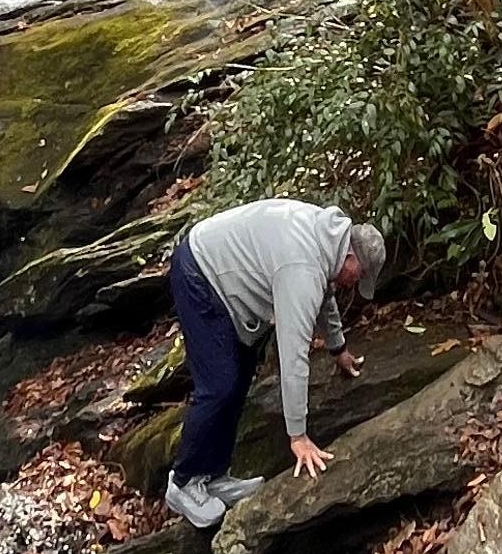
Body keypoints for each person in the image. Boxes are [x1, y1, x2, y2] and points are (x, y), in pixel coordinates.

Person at [164, 197, 387, 533]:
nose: (356, 283)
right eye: (361, 275)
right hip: (199, 272)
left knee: (237, 379)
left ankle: (212, 475)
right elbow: (293, 353)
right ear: (351, 256)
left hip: (219, 279)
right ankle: (182, 483)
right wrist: (297, 435)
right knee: (218, 386)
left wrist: (338, 348)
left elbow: (325, 297)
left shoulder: (327, 238)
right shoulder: (304, 267)